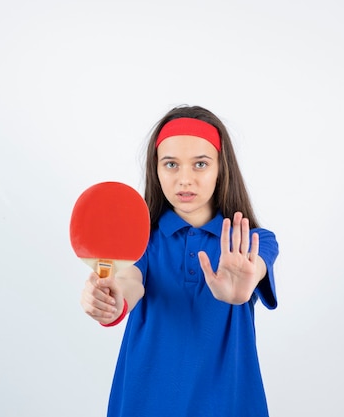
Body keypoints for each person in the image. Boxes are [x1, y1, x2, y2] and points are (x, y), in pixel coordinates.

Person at [80, 105, 279, 416]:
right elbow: (129, 281)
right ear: (156, 170)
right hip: (145, 402)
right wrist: (112, 300)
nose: (185, 179)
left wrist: (244, 285)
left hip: (229, 403)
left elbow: (256, 268)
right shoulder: (140, 240)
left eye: (200, 164)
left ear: (220, 169)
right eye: (171, 164)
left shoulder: (253, 241)